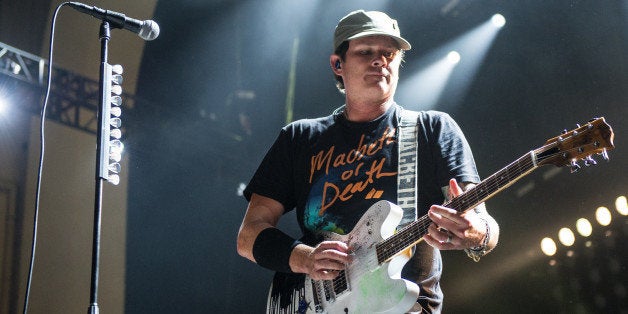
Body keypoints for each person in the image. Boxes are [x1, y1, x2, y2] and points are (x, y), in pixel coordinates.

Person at [237, 9, 499, 313]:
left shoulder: (433, 130)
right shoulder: (300, 138)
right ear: (338, 64)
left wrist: (477, 233)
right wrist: (305, 258)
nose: (380, 61)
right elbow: (249, 235)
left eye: (389, 53)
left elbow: (483, 221)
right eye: (366, 52)